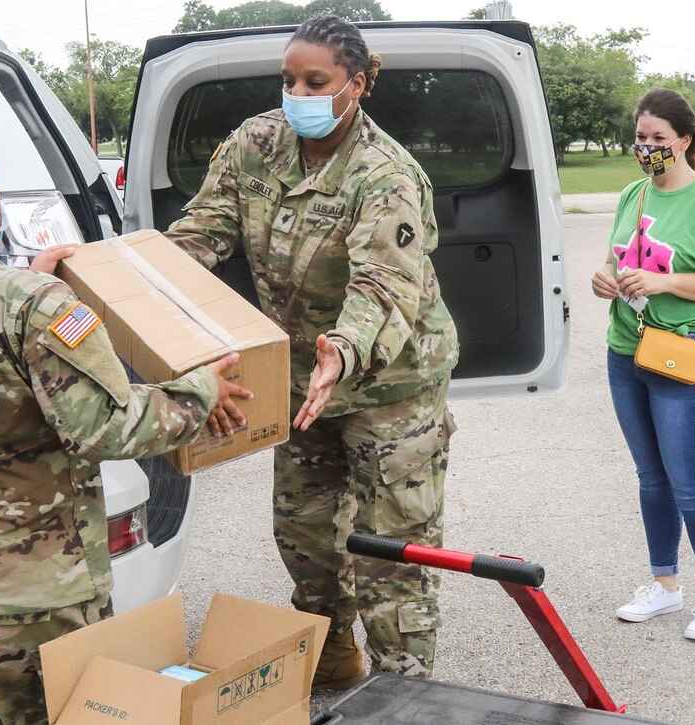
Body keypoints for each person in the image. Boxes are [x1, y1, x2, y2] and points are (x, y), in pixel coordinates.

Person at [0, 120, 251, 724]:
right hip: (26, 601)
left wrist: (29, 285)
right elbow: (106, 428)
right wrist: (200, 389)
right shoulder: (36, 307)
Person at [164, 14, 458, 685]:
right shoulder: (256, 143)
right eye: (289, 78)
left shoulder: (384, 173)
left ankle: (404, 691)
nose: (296, 91)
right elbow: (200, 231)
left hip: (392, 385)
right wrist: (124, 277)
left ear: (354, 86)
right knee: (305, 534)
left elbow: (383, 286)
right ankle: (334, 658)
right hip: (301, 377)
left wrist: (343, 351)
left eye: (314, 81)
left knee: (391, 555)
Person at [591, 88, 695, 641]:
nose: (648, 148)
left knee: (688, 482)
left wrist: (664, 281)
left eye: (659, 139)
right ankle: (664, 585)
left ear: (684, 141)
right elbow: (613, 260)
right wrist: (603, 279)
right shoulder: (633, 194)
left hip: (680, 356)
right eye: (641, 138)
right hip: (625, 350)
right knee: (651, 479)